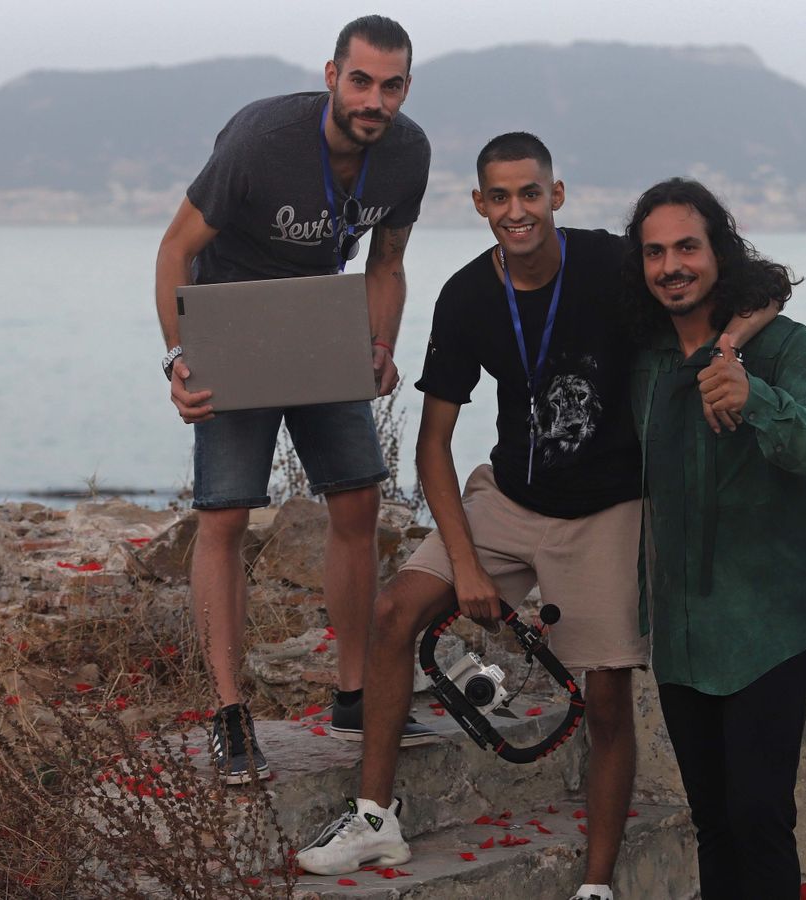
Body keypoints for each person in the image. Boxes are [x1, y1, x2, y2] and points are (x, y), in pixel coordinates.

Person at [296, 135, 772, 900]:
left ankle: (596, 885)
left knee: (608, 696)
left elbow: (764, 286)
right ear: (480, 205)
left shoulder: (616, 264)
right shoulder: (466, 295)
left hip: (609, 510)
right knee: (392, 613)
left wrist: (732, 351)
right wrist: (469, 563)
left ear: (557, 194)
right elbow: (432, 448)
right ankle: (375, 815)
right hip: (509, 500)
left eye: (530, 193)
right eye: (499, 197)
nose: (516, 211)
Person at [153, 15, 436, 785]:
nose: (374, 99)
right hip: (234, 318)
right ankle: (229, 714)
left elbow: (388, 263)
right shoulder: (261, 139)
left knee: (357, 503)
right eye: (361, 80)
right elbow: (176, 247)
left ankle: (354, 695)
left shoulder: (407, 153)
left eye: (391, 85)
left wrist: (381, 345)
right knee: (225, 515)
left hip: (320, 319)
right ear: (331, 75)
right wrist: (180, 356)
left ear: (406, 87)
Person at [622, 177, 806, 898]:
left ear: (717, 250)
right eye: (654, 252)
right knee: (712, 823)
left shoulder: (784, 347)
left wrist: (758, 398)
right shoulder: (647, 362)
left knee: (758, 818)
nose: (672, 266)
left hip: (768, 628)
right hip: (682, 637)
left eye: (687, 246)